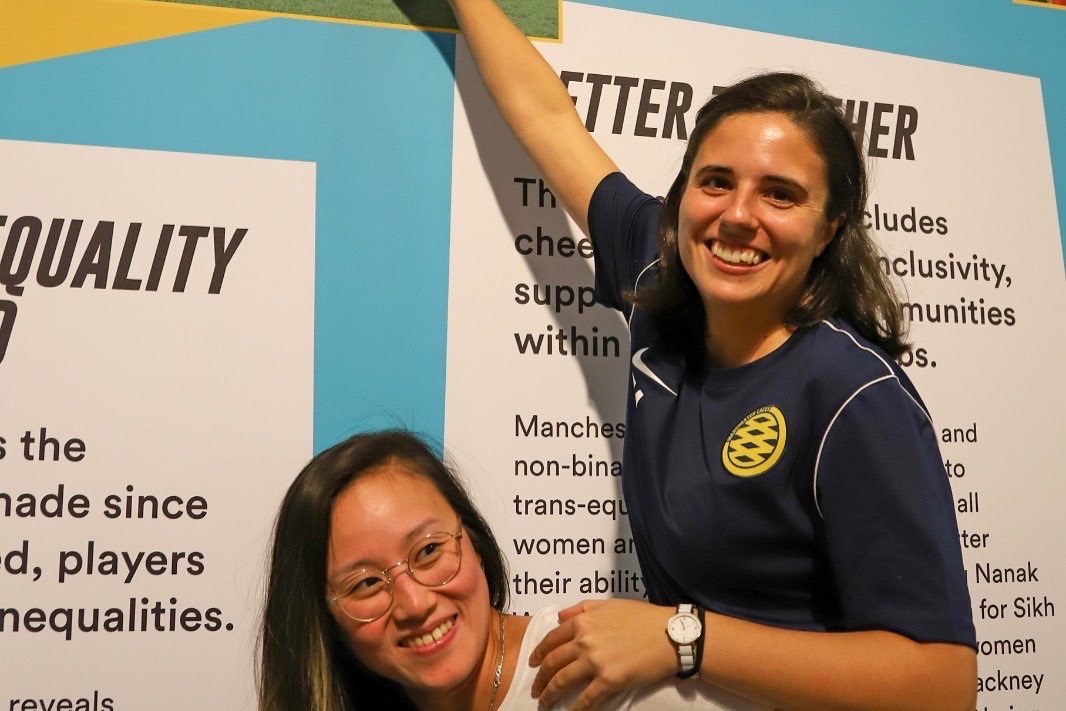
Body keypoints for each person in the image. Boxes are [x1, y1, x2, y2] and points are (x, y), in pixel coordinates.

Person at [442, 1, 978, 709]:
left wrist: (681, 636)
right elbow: (548, 121)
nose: (736, 214)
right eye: (716, 181)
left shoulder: (852, 395)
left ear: (828, 230)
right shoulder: (662, 278)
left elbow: (942, 684)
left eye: (780, 194)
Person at [257, 429, 762, 711]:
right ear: (322, 619)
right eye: (366, 584)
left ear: (472, 541)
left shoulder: (596, 673)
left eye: (429, 552)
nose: (414, 603)